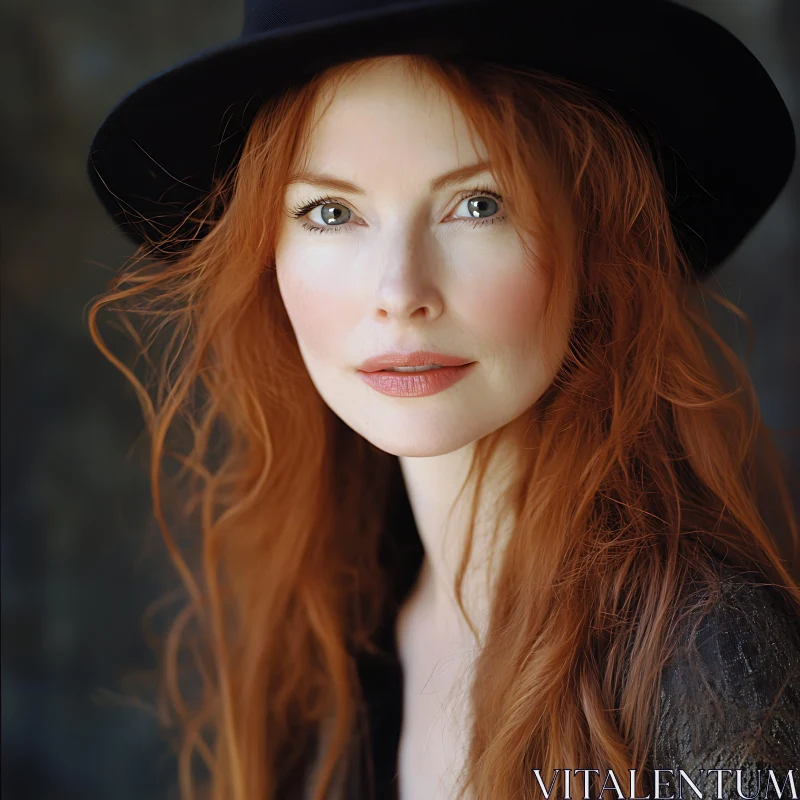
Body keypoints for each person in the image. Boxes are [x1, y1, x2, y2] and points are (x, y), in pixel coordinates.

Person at [85, 1, 800, 799]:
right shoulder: (331, 632)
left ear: (595, 238)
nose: (401, 293)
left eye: (478, 204)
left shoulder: (705, 659)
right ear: (266, 253)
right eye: (331, 212)